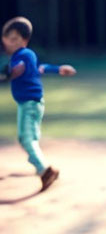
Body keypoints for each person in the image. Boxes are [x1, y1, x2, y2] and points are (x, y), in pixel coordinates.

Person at [1, 16, 76, 191]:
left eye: (15, 39)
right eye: (8, 39)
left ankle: (45, 171)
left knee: (27, 139)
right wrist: (58, 69)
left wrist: (8, 73)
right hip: (28, 104)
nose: (11, 43)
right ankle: (39, 164)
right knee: (26, 138)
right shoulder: (22, 57)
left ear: (24, 40)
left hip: (30, 104)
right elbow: (40, 68)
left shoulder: (24, 54)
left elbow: (18, 68)